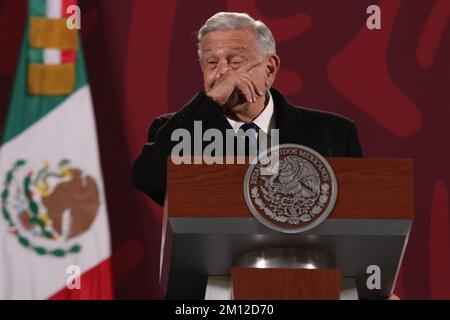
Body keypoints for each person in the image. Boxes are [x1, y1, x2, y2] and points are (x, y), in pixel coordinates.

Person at [131, 12, 363, 207]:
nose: (222, 73)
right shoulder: (178, 130)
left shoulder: (336, 134)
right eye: (212, 63)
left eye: (235, 62)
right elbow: (150, 179)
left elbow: (360, 214)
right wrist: (208, 101)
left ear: (269, 68)